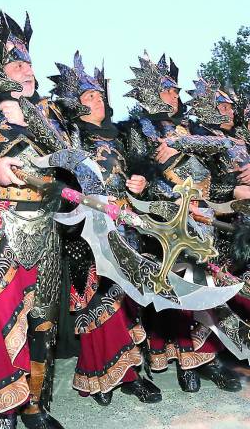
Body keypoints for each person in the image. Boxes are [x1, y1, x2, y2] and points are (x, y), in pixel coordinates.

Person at [0, 0, 70, 427]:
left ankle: (35, 406)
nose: (26, 69)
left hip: (48, 225)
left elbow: (69, 161)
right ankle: (3, 410)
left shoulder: (52, 112)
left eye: (28, 63)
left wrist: (28, 113)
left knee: (43, 319)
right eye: (14, 63)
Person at [124, 53, 243, 394]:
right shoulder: (137, 129)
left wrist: (178, 141)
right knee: (185, 289)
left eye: (176, 91)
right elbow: (138, 175)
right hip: (171, 220)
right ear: (148, 93)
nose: (173, 96)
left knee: (213, 288)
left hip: (207, 216)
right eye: (166, 91)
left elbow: (221, 145)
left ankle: (213, 358)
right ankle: (186, 360)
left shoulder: (190, 128)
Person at [48, 51, 162, 406]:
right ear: (75, 105)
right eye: (89, 96)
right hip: (87, 228)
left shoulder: (122, 135)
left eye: (99, 95)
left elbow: (137, 172)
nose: (98, 100)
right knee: (96, 300)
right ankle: (99, 375)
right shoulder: (71, 137)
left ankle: (131, 375)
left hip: (126, 224)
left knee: (129, 299)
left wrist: (139, 182)